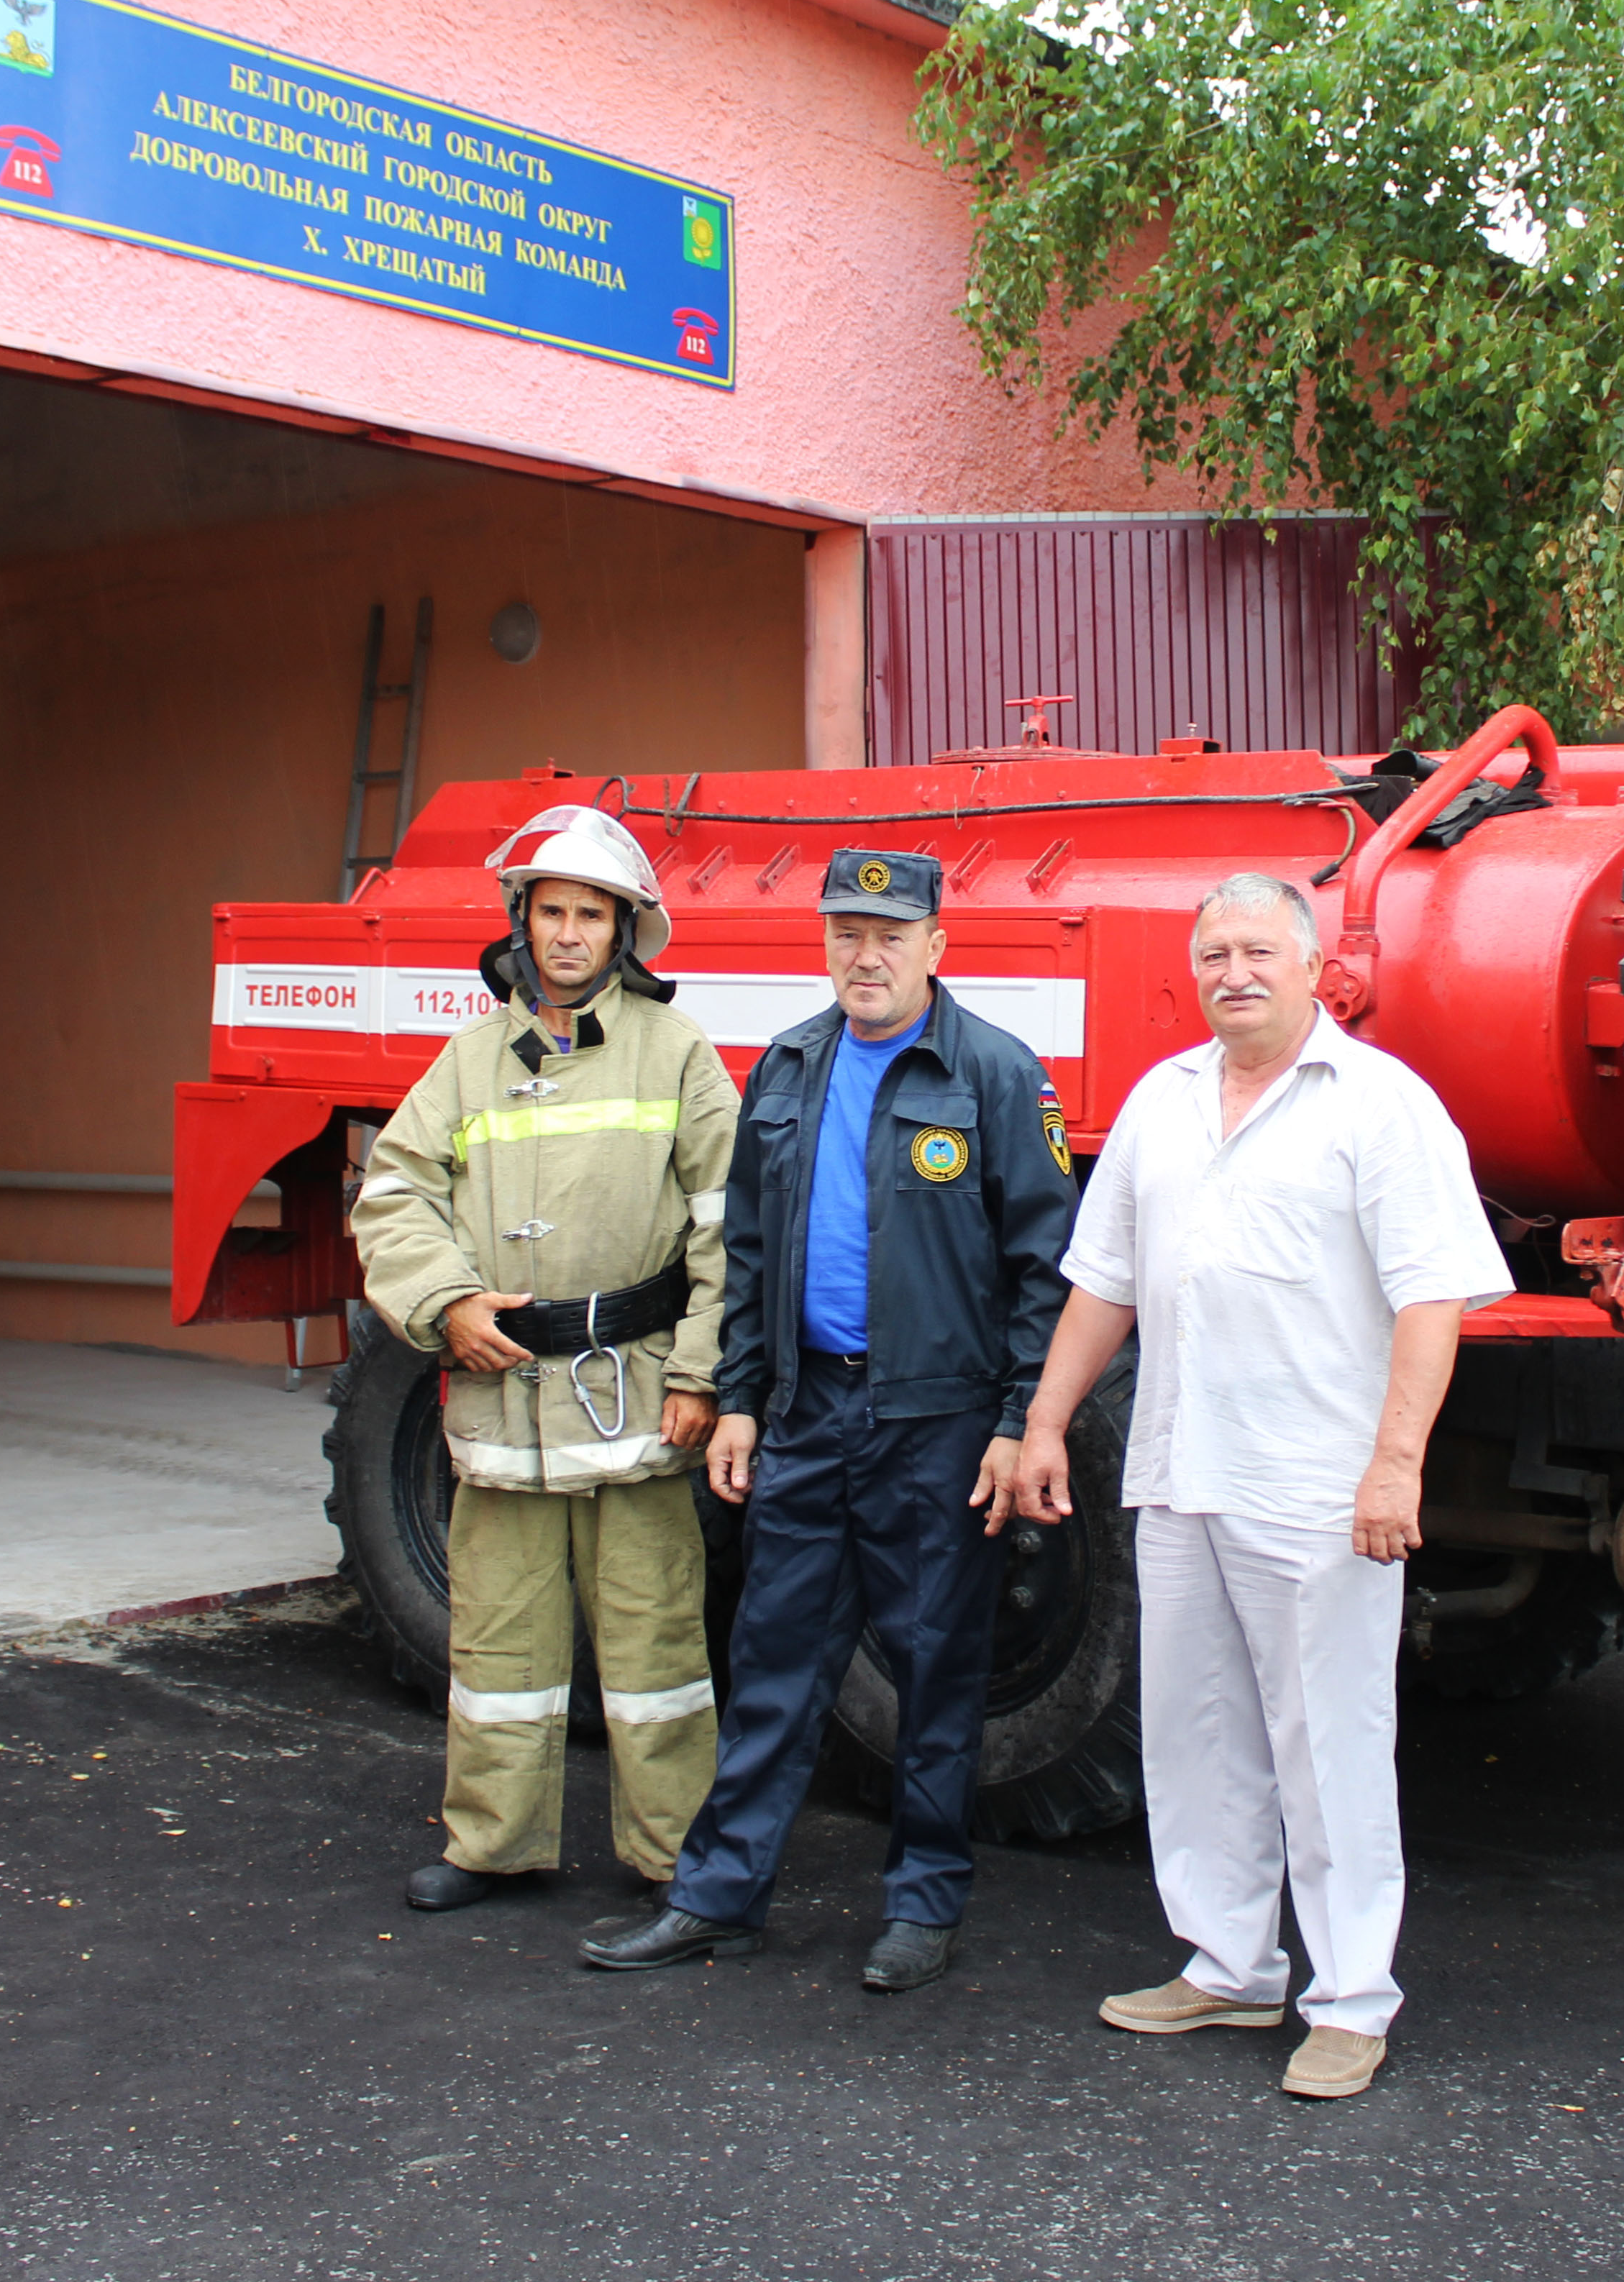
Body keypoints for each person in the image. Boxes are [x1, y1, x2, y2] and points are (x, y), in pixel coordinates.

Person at [1008, 871, 1507, 2099]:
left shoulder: (1380, 1106)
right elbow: (1104, 1281)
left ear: (1312, 964)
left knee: (1328, 1744)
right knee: (1195, 1733)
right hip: (1182, 1470)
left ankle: (1349, 1998)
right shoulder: (1160, 1100)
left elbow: (1430, 1298)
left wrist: (1396, 1465)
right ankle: (1229, 1962)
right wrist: (1042, 1423)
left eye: (1257, 951)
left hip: (1316, 1489)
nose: (1233, 972)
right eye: (1214, 953)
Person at [583, 849, 1074, 1991]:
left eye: (889, 934)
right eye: (847, 930)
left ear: (935, 946)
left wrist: (1017, 1420)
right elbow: (748, 1251)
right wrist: (744, 1398)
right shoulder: (791, 1067)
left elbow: (1044, 1271)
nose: (866, 953)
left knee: (935, 1667)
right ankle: (716, 1897)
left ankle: (923, 1901)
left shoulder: (996, 1076)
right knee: (772, 1660)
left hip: (936, 1424)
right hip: (806, 1409)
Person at [350, 805, 738, 1917]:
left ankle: (676, 1858)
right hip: (502, 1401)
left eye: (592, 913)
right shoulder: (468, 1063)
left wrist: (700, 1373)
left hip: (633, 1397)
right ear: (522, 921)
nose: (569, 933)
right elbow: (394, 1195)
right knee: (498, 1644)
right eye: (552, 910)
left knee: (658, 1645)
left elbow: (726, 1228)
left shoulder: (679, 1054)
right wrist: (446, 1302)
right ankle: (492, 1843)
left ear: (625, 930)